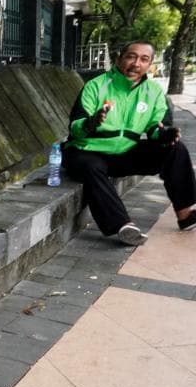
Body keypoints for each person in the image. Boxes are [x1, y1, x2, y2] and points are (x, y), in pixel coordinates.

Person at [63, 40, 196, 245]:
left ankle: (185, 214)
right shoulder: (96, 85)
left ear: (150, 64)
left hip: (123, 153)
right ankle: (122, 226)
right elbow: (75, 127)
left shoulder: (153, 91)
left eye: (144, 59)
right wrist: (91, 123)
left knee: (175, 149)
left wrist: (165, 135)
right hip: (85, 151)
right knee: (92, 166)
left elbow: (156, 127)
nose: (136, 64)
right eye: (131, 56)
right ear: (120, 59)